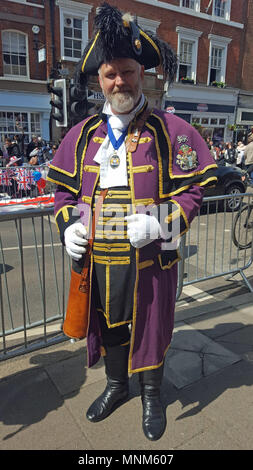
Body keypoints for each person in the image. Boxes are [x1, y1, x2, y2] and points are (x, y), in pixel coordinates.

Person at [47, 3, 217, 441]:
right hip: (98, 261)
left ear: (141, 73)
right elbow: (63, 193)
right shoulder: (82, 134)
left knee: (153, 324)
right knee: (110, 325)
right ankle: (117, 386)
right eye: (110, 74)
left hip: (149, 258)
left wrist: (162, 223)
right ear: (99, 80)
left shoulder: (171, 129)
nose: (119, 81)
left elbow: (193, 192)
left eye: (126, 71)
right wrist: (68, 226)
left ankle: (151, 396)